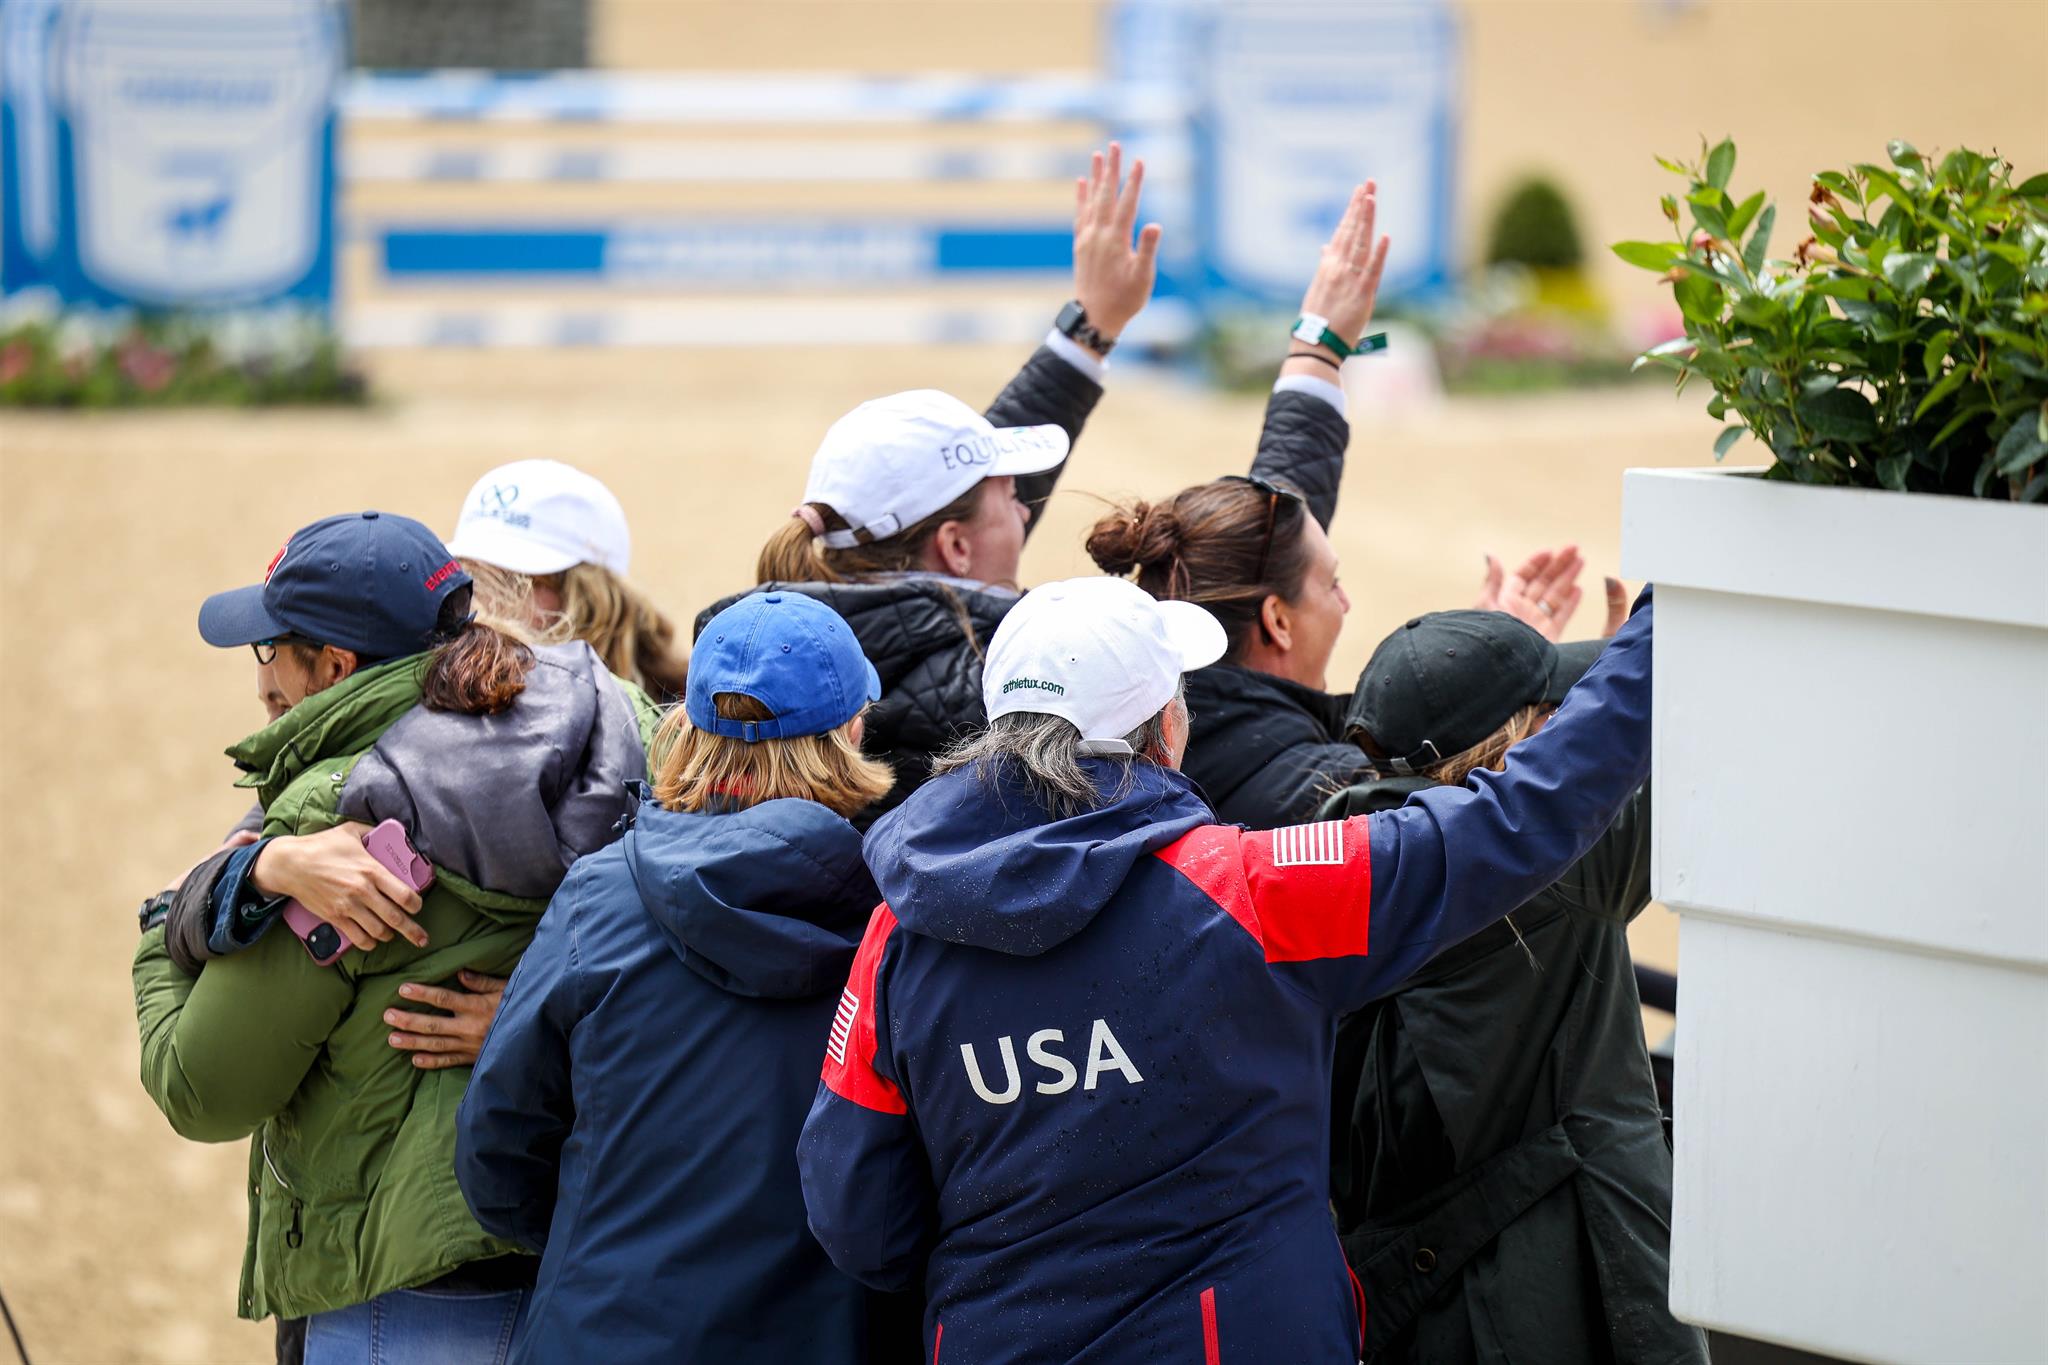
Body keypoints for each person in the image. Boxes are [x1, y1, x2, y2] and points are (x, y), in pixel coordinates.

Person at [796, 573, 1656, 1363]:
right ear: (1168, 729)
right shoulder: (1248, 893)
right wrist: (1665, 629)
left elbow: (858, 1214)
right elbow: (1521, 816)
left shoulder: (898, 933)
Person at [132, 511, 649, 1365]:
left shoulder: (337, 823)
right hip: (583, 1275)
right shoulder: (613, 741)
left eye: (270, 648)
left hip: (399, 1301)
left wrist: (163, 925)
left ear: (333, 666)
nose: (261, 679)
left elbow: (203, 1085)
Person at [712, 164, 1375, 823]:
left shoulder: (750, 663)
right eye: (1009, 497)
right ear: (955, 545)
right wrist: (1315, 356)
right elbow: (1259, 554)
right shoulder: (1032, 685)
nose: (1026, 505)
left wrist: (1086, 332)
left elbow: (957, 515)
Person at [456, 590, 912, 1365]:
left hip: (606, 1329)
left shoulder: (600, 897)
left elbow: (498, 1151)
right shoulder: (895, 919)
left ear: (687, 727)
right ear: (852, 731)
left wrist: (603, 1235)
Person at [1317, 611, 1707, 1365]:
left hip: (1403, 1321)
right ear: (1509, 749)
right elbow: (1680, 687)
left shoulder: (1326, 860)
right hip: (1572, 1320)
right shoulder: (1555, 879)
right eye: (1551, 717)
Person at [448, 457, 689, 703]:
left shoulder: (683, 716)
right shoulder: (437, 700)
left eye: (515, 584)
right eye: (471, 580)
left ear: (597, 603)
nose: (483, 605)